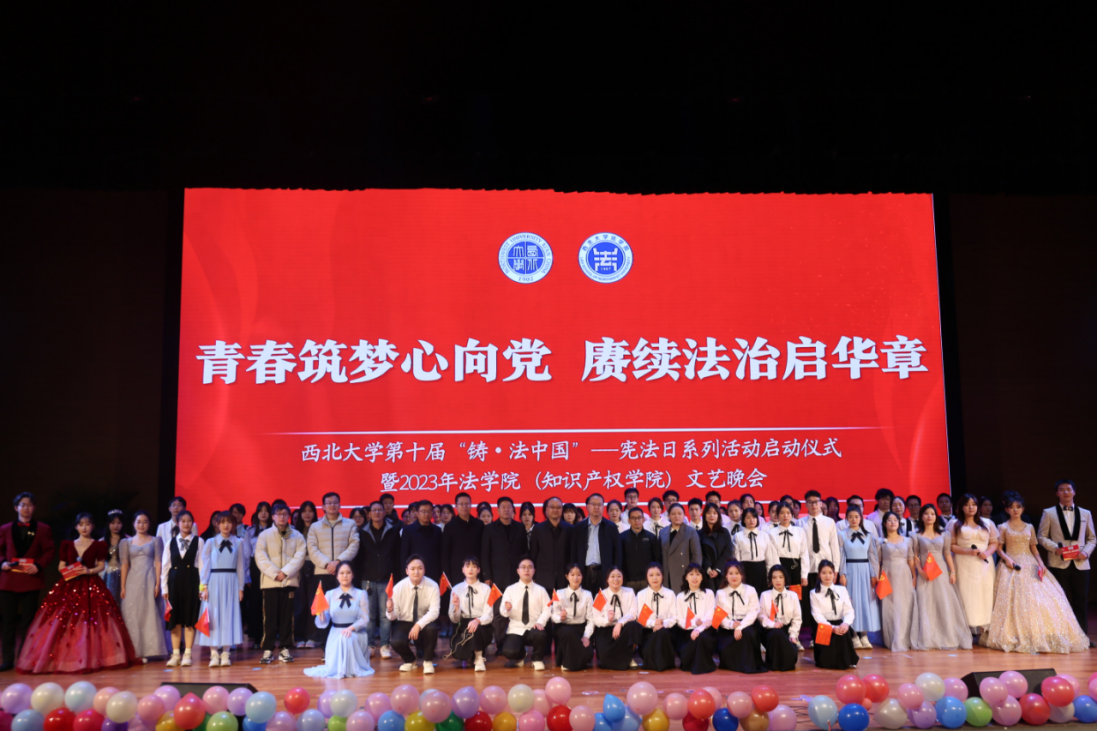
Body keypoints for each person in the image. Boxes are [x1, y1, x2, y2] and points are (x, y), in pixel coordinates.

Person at [16, 513, 137, 674]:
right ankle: (64, 659)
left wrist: (89, 571)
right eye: (81, 524)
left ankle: (93, 658)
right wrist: (70, 571)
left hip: (92, 583)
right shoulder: (67, 544)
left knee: (95, 618)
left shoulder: (99, 545)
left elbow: (101, 565)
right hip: (70, 584)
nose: (84, 527)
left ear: (93, 526)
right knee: (63, 619)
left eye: (87, 524)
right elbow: (61, 566)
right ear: (76, 527)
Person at [983, 492, 1089, 654]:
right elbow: (999, 548)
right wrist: (1007, 559)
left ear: (1023, 509)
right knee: (1014, 599)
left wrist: (1040, 563)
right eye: (1012, 507)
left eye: (1018, 507)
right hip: (1012, 564)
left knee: (1041, 599)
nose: (1015, 510)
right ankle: (1017, 633)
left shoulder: (1030, 527)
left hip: (1030, 562)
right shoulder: (1003, 527)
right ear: (1007, 510)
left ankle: (1041, 633)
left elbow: (1034, 548)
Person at [0, 492, 56, 672]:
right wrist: (2, 563)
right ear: (16, 507)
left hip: (31, 580)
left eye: (30, 504)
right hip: (9, 580)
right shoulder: (5, 529)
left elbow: (49, 551)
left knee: (28, 622)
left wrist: (39, 565)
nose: (26, 508)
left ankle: (24, 659)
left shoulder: (43, 529)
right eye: (23, 504)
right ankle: (7, 660)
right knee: (8, 622)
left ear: (34, 508)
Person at [1037, 479, 1095, 642]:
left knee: (1080, 602)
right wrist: (1055, 548)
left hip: (1081, 563)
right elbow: (1041, 536)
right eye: (1061, 490)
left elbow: (1092, 538)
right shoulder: (1049, 512)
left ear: (1074, 492)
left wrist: (1086, 553)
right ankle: (1063, 637)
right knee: (1061, 601)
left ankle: (1082, 638)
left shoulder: (1085, 513)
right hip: (1058, 562)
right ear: (1057, 493)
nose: (1065, 492)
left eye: (1068, 489)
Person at [912, 504, 972, 650]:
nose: (929, 516)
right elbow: (915, 556)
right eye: (926, 514)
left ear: (936, 516)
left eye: (932, 514)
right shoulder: (916, 535)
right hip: (925, 573)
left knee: (943, 601)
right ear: (921, 516)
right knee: (925, 602)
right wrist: (920, 571)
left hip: (941, 572)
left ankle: (947, 637)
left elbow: (947, 554)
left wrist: (953, 572)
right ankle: (927, 638)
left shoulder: (945, 535)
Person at [254, 502, 307, 664]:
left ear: (288, 516)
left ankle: (285, 648)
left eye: (285, 514)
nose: (282, 517)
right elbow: (260, 557)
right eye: (278, 514)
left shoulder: (297, 535)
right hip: (270, 582)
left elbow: (300, 556)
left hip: (288, 581)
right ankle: (268, 649)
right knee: (269, 617)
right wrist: (274, 573)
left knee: (287, 618)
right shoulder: (264, 535)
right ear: (273, 516)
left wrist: (285, 572)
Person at [307, 492, 360, 647]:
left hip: (343, 575)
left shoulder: (350, 524)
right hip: (322, 573)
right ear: (323, 506)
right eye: (328, 503)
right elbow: (312, 548)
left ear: (340, 504)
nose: (332, 505)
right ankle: (325, 646)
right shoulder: (315, 526)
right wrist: (327, 564)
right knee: (323, 611)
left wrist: (338, 563)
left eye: (335, 502)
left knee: (343, 609)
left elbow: (354, 544)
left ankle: (344, 644)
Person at [304, 561, 374, 678]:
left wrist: (350, 629)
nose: (345, 575)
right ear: (336, 576)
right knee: (343, 637)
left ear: (353, 575)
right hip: (335, 634)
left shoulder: (361, 594)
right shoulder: (330, 594)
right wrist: (322, 615)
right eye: (341, 573)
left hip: (356, 633)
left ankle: (352, 668)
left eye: (348, 572)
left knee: (346, 637)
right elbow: (324, 620)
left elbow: (365, 619)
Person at [119, 510, 168, 663]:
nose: (141, 525)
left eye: (145, 522)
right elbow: (125, 565)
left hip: (149, 578)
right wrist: (123, 586)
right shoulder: (125, 542)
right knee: (132, 612)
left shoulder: (156, 540)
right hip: (132, 580)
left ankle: (149, 650)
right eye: (138, 522)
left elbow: (158, 563)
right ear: (134, 524)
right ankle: (134, 651)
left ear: (149, 524)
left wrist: (158, 583)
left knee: (149, 611)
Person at [197, 511, 245, 667]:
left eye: (229, 522)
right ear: (217, 524)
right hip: (214, 582)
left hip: (231, 581)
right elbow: (205, 566)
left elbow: (240, 566)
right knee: (213, 617)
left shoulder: (239, 542)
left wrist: (241, 587)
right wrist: (203, 586)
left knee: (228, 616)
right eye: (223, 522)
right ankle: (213, 654)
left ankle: (225, 654)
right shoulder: (210, 542)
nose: (226, 525)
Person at [950, 494, 999, 638]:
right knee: (965, 594)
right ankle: (965, 631)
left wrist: (987, 552)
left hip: (984, 564)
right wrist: (967, 551)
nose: (970, 507)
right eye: (967, 504)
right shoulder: (955, 524)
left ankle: (984, 630)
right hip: (963, 563)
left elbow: (994, 542)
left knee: (985, 594)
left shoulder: (987, 523)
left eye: (973, 504)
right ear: (961, 507)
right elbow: (951, 545)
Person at [161, 510, 204, 667]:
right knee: (175, 619)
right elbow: (165, 567)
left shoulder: (199, 541)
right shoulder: (170, 543)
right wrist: (164, 588)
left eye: (189, 521)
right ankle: (175, 655)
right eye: (183, 521)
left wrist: (202, 588)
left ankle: (188, 654)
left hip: (192, 582)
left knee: (189, 619)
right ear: (178, 523)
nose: (186, 524)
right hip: (174, 583)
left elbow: (202, 566)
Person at [797, 490, 841, 642]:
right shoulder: (800, 523)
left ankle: (824, 636)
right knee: (810, 604)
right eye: (810, 502)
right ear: (806, 504)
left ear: (821, 503)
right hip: (808, 569)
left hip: (826, 571)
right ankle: (812, 636)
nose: (814, 505)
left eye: (816, 502)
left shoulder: (829, 522)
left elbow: (834, 547)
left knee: (825, 604)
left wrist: (835, 569)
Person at [358, 501, 399, 660]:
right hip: (367, 579)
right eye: (373, 510)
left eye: (379, 510)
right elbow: (359, 556)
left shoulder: (393, 530)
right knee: (368, 615)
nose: (377, 513)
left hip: (387, 579)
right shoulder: (362, 531)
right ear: (369, 514)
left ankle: (385, 646)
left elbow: (396, 555)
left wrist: (395, 576)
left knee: (386, 614)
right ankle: (370, 646)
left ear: (384, 512)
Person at [484, 496, 526, 650]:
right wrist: (487, 576)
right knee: (499, 613)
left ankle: (518, 641)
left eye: (509, 507)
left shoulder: (520, 527)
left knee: (518, 610)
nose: (506, 510)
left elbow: (524, 552)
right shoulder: (490, 529)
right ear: (498, 510)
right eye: (503, 507)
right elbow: (485, 554)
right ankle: (500, 643)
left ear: (513, 509)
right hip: (497, 577)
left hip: (517, 577)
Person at [387, 555, 441, 674]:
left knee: (432, 629)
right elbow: (393, 616)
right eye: (412, 569)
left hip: (425, 620)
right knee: (396, 641)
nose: (416, 572)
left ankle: (428, 661)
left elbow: (434, 612)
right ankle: (410, 661)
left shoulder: (433, 586)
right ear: (407, 571)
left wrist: (418, 625)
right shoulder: (398, 587)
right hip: (405, 621)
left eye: (420, 568)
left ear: (424, 570)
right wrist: (390, 610)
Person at [838, 506, 880, 649]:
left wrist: (874, 574)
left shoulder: (869, 536)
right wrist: (842, 573)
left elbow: (873, 556)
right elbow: (841, 556)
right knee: (853, 602)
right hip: (850, 570)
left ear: (861, 518)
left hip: (865, 571)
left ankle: (864, 635)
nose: (853, 519)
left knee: (865, 602)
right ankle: (854, 635)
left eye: (856, 516)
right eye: (850, 517)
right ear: (846, 518)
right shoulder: (842, 535)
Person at [500, 556, 552, 670]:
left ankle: (537, 659)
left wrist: (540, 622)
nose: (526, 570)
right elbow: (503, 612)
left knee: (540, 634)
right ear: (518, 571)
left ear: (534, 571)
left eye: (530, 567)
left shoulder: (541, 590)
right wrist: (507, 609)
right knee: (509, 652)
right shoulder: (510, 589)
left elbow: (548, 609)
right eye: (523, 567)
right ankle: (521, 654)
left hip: (534, 626)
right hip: (516, 628)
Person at [714, 560, 765, 674]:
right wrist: (731, 624)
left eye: (737, 573)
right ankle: (732, 664)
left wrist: (740, 626)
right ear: (726, 576)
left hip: (746, 624)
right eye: (730, 573)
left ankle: (747, 666)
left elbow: (753, 612)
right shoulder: (720, 593)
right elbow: (719, 616)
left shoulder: (750, 590)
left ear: (742, 575)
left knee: (746, 633)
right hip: (728, 625)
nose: (734, 576)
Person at [878, 511, 919, 652]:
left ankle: (905, 638)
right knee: (890, 607)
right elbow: (878, 562)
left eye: (895, 520)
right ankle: (892, 638)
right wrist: (878, 579)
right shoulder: (880, 541)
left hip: (904, 574)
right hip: (888, 575)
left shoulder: (907, 540)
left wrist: (914, 576)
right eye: (889, 520)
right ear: (884, 524)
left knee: (905, 605)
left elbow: (910, 560)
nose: (893, 522)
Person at [809, 560, 858, 669]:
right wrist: (832, 628)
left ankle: (847, 659)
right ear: (819, 574)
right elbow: (817, 616)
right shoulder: (813, 593)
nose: (827, 576)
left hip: (840, 624)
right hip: (823, 626)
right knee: (824, 662)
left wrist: (845, 623)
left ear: (834, 574)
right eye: (824, 573)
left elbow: (849, 611)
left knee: (843, 633)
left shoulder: (842, 589)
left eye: (830, 573)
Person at [447, 556, 494, 671]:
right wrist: (456, 606)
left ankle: (479, 657)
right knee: (458, 652)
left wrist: (477, 620)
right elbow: (454, 620)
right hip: (462, 624)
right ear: (463, 570)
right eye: (467, 566)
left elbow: (489, 615)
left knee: (474, 628)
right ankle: (470, 654)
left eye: (474, 566)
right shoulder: (456, 589)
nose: (471, 569)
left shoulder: (486, 589)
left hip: (481, 624)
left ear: (479, 570)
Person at [592, 565, 642, 670]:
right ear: (607, 579)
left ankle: (628, 658)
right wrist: (607, 620)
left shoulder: (629, 592)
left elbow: (633, 613)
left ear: (623, 578)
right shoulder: (601, 595)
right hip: (606, 630)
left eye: (619, 576)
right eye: (612, 576)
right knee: (605, 659)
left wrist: (620, 623)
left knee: (634, 626)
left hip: (623, 628)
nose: (616, 579)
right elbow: (595, 618)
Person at [573, 494, 622, 593]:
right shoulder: (579, 527)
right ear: (587, 506)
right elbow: (573, 552)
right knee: (585, 600)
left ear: (603, 507)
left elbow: (617, 552)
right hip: (584, 572)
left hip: (605, 572)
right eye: (593, 504)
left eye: (599, 504)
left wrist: (615, 573)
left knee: (604, 601)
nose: (596, 507)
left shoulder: (611, 527)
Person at [673, 563, 717, 674]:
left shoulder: (709, 593)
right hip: (686, 631)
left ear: (702, 577)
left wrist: (698, 629)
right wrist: (694, 624)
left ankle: (702, 667)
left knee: (701, 638)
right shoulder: (680, 596)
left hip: (705, 630)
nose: (694, 577)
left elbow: (710, 617)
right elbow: (679, 620)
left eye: (698, 574)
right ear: (686, 577)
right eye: (691, 574)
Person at [441, 492, 485, 598]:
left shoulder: (479, 525)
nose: (464, 506)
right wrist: (447, 577)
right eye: (461, 504)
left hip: (476, 571)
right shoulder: (450, 526)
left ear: (471, 505)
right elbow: (445, 554)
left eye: (467, 504)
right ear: (456, 506)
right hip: (456, 573)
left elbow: (484, 551)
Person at [552, 564, 594, 671]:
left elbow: (591, 619)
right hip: (564, 627)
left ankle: (574, 661)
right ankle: (569, 664)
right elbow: (553, 615)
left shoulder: (588, 595)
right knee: (569, 632)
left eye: (578, 575)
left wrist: (586, 636)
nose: (576, 578)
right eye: (572, 574)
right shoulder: (559, 593)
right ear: (567, 576)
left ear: (582, 576)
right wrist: (560, 617)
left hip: (581, 628)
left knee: (589, 652)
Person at [636, 563, 677, 671]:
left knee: (662, 633)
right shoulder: (641, 595)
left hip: (665, 631)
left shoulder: (670, 594)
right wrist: (654, 623)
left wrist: (663, 624)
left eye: (658, 574)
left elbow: (674, 617)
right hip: (647, 631)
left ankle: (662, 664)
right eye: (651, 575)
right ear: (647, 577)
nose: (655, 578)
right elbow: (639, 618)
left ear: (662, 576)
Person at [529, 497, 573, 597]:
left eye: (558, 507)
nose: (555, 510)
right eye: (552, 507)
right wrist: (533, 576)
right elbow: (533, 554)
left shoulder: (570, 529)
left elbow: (572, 555)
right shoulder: (538, 529)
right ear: (547, 509)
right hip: (543, 580)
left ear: (562, 510)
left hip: (565, 580)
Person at [759, 565, 801, 671]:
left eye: (781, 577)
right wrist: (773, 624)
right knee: (776, 633)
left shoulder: (793, 595)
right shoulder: (765, 595)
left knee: (792, 656)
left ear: (785, 578)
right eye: (774, 577)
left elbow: (797, 618)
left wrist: (793, 635)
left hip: (787, 630)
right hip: (770, 630)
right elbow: (761, 616)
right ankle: (773, 664)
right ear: (770, 580)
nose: (778, 580)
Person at [244, 501, 272, 649]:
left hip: (271, 566)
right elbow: (246, 555)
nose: (263, 513)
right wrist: (247, 575)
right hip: (255, 567)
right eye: (260, 510)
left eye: (266, 510)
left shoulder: (275, 529)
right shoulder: (250, 531)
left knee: (270, 603)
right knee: (255, 603)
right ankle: (257, 637)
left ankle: (270, 636)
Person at [660, 503, 701, 595]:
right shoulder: (663, 532)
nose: (677, 516)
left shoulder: (690, 531)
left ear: (684, 515)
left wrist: (694, 574)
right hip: (667, 573)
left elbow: (696, 555)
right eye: (673, 514)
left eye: (679, 513)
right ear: (669, 516)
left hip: (685, 573)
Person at [732, 508, 774, 596]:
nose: (752, 520)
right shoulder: (738, 536)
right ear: (743, 519)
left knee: (762, 596)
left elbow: (769, 557)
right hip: (745, 570)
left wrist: (769, 575)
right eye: (748, 517)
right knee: (746, 596)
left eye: (754, 517)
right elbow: (736, 559)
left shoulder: (764, 535)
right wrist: (738, 574)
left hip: (761, 570)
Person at [294, 500, 319, 647]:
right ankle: (299, 637)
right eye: (304, 511)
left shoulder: (319, 528)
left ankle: (312, 637)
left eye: (310, 511)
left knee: (313, 603)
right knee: (300, 603)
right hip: (299, 567)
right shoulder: (295, 531)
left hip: (315, 566)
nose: (307, 514)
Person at [401, 501, 443, 583]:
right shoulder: (408, 530)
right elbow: (404, 555)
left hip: (433, 575)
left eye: (429, 511)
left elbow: (440, 554)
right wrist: (404, 575)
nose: (426, 514)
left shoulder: (437, 530)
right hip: (414, 574)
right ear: (417, 513)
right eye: (423, 511)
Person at [622, 507, 662, 591]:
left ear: (643, 519)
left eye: (639, 517)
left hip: (647, 580)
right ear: (629, 520)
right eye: (633, 518)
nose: (637, 520)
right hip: (628, 581)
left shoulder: (651, 537)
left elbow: (656, 559)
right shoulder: (622, 537)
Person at [699, 504, 733, 592]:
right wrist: (708, 568)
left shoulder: (724, 532)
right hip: (706, 573)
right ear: (704, 515)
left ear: (718, 515)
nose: (712, 515)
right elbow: (698, 553)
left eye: (714, 513)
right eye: (709, 513)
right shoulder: (699, 534)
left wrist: (717, 569)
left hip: (722, 572)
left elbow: (728, 551)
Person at [100, 509, 126, 604]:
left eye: (119, 523)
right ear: (108, 524)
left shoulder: (127, 540)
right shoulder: (102, 541)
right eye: (113, 523)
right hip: (105, 574)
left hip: (122, 574)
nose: (116, 526)